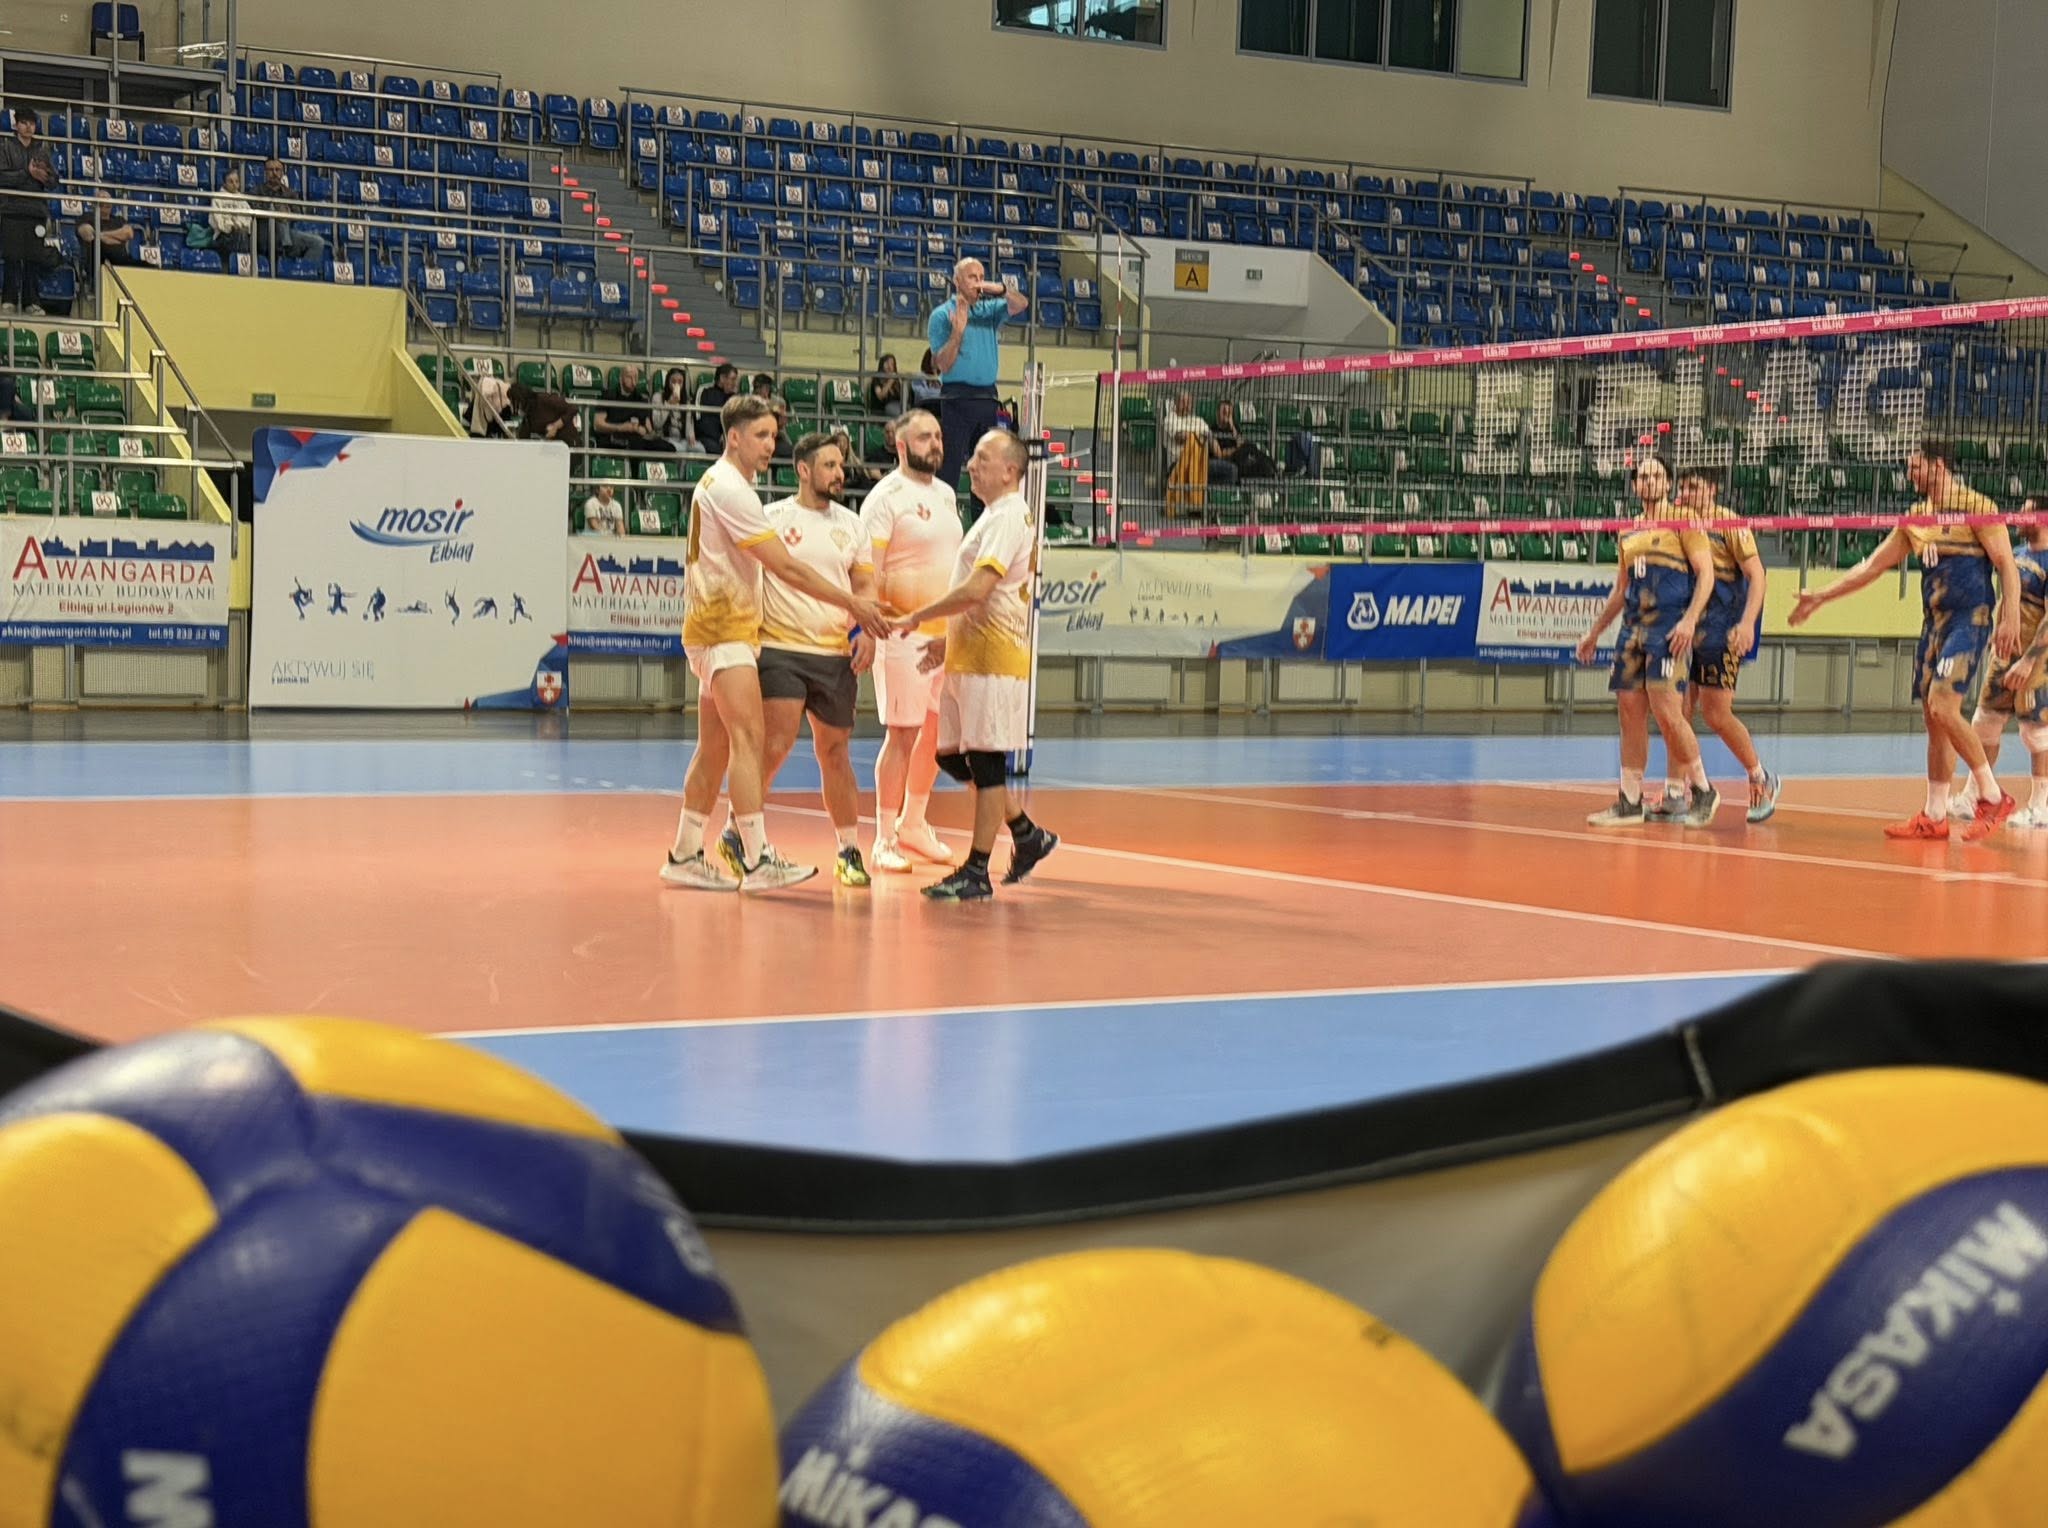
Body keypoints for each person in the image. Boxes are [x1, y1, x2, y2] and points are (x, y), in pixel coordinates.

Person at [661, 394, 889, 893]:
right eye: (761, 435)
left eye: (773, 435)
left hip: (719, 628)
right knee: (750, 740)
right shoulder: (732, 490)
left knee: (715, 748)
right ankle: (756, 856)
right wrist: (853, 605)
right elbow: (785, 567)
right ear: (734, 436)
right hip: (726, 628)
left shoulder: (722, 485)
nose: (770, 445)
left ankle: (684, 853)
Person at [1791, 440, 2022, 841]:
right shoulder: (1915, 518)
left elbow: (2006, 563)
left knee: (1944, 706)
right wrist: (1821, 596)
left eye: (1916, 467)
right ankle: (1934, 814)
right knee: (1933, 719)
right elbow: (1871, 567)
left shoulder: (1977, 506)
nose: (1910, 474)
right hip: (1933, 624)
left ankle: (1992, 795)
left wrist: (2010, 615)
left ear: (1939, 465)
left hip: (1970, 620)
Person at [890, 429, 1058, 901]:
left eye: (983, 458)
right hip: (969, 655)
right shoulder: (992, 516)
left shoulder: (1009, 516)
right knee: (949, 755)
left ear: (1010, 470)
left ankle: (977, 870)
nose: (970, 465)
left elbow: (979, 589)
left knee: (986, 762)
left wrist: (919, 616)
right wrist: (949, 642)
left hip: (993, 660)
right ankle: (1025, 833)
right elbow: (983, 596)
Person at [714, 432, 877, 888]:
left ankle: (848, 849)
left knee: (835, 752)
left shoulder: (853, 525)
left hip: (835, 653)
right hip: (780, 648)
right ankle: (740, 832)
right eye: (830, 465)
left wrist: (865, 630)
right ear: (804, 470)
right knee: (776, 741)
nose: (840, 473)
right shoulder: (772, 517)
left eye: (841, 465)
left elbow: (865, 586)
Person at [1576, 457, 1719, 828]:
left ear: (1668, 483)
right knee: (1628, 711)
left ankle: (1703, 789)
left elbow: (1706, 575)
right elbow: (1621, 590)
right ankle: (1630, 801)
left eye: (1657, 475)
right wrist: (1594, 632)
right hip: (1632, 631)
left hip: (1669, 631)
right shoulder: (1628, 531)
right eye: (1643, 476)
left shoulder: (1685, 521)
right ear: (1635, 485)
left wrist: (1690, 620)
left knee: (1668, 712)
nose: (1650, 481)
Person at [860, 408, 962, 872]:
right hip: (901, 635)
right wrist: (869, 626)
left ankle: (914, 823)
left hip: (944, 635)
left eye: (937, 436)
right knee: (902, 735)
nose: (935, 444)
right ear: (901, 446)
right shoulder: (886, 498)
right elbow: (868, 569)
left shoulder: (946, 494)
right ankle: (884, 838)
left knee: (937, 733)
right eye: (924, 437)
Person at [1675, 466, 1780, 823]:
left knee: (1716, 714)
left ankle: (1760, 776)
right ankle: (1680, 790)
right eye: (1683, 487)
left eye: (1694, 487)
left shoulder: (1730, 524)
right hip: (1687, 626)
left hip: (1722, 627)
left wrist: (1747, 623)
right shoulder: (1679, 523)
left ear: (1712, 489)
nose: (1686, 493)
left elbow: (1757, 576)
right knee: (1678, 712)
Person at [1953, 502, 2048, 826]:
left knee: (2036, 731)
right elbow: (2008, 598)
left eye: (2026, 512)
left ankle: (2040, 806)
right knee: (1985, 722)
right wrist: (1998, 630)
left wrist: (2029, 661)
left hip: (2037, 658)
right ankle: (1974, 795)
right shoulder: (2016, 554)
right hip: (2006, 653)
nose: (2017, 517)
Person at [927, 258, 1028, 514]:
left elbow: (1021, 304)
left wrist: (1000, 289)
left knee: (988, 470)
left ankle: (984, 526)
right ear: (957, 281)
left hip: (987, 398)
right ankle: (942, 524)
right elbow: (943, 364)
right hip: (956, 399)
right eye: (972, 277)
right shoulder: (941, 315)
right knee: (949, 471)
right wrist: (958, 332)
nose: (979, 282)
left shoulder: (989, 310)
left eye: (981, 276)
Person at [0, 109, 57, 316]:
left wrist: (44, 177)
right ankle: (8, 299)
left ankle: (31, 301)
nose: (28, 127)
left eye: (31, 123)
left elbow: (54, 181)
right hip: (11, 209)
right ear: (16, 125)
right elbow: (3, 177)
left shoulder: (42, 151)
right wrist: (28, 173)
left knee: (34, 257)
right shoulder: (5, 147)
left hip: (36, 211)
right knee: (12, 256)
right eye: (24, 123)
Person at [257, 159, 328, 265]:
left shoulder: (290, 193)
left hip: (288, 234)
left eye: (277, 170)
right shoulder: (257, 191)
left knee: (318, 242)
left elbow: (298, 213)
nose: (274, 173)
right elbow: (254, 208)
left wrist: (288, 213)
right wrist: (275, 211)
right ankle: (285, 247)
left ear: (282, 173)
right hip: (265, 233)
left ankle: (303, 270)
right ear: (265, 173)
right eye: (271, 170)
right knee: (278, 215)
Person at [592, 363, 667, 454]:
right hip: (614, 438)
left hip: (637, 439)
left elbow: (648, 428)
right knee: (636, 446)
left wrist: (642, 430)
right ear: (621, 379)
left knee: (668, 447)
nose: (633, 382)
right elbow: (598, 425)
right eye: (629, 377)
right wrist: (620, 428)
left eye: (636, 378)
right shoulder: (608, 396)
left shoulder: (641, 399)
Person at [509, 381, 581, 448]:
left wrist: (555, 426)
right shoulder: (528, 416)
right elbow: (523, 438)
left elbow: (573, 408)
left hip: (569, 443)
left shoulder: (544, 399)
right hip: (553, 447)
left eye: (512, 402)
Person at [74, 197, 139, 270]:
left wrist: (100, 236)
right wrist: (117, 236)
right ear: (94, 204)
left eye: (108, 201)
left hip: (121, 262)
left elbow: (129, 233)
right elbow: (87, 234)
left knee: (146, 265)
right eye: (102, 201)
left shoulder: (118, 220)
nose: (105, 204)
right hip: (97, 261)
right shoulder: (86, 217)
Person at [210, 168, 256, 259]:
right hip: (223, 236)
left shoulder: (242, 199)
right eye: (231, 182)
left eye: (237, 181)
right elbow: (217, 222)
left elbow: (248, 219)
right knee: (240, 234)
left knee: (243, 233)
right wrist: (231, 226)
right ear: (224, 183)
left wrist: (239, 224)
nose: (234, 184)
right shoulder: (217, 199)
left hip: (241, 234)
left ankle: (239, 262)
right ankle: (239, 262)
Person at [694, 362, 738, 455]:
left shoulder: (734, 397)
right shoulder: (705, 391)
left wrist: (725, 434)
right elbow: (698, 416)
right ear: (722, 378)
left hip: (726, 437)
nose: (735, 384)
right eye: (732, 379)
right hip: (706, 436)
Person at [649, 367, 692, 449]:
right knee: (679, 449)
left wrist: (691, 435)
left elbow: (689, 425)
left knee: (700, 449)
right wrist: (669, 404)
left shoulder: (686, 401)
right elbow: (657, 424)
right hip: (664, 438)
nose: (676, 385)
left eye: (680, 382)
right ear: (668, 382)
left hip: (682, 440)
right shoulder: (657, 397)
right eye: (673, 381)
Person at [865, 354, 906, 419]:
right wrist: (890, 381)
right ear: (882, 365)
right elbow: (881, 396)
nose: (889, 367)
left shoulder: (896, 379)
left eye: (892, 364)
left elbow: (901, 397)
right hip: (882, 408)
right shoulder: (877, 379)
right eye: (887, 364)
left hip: (897, 405)